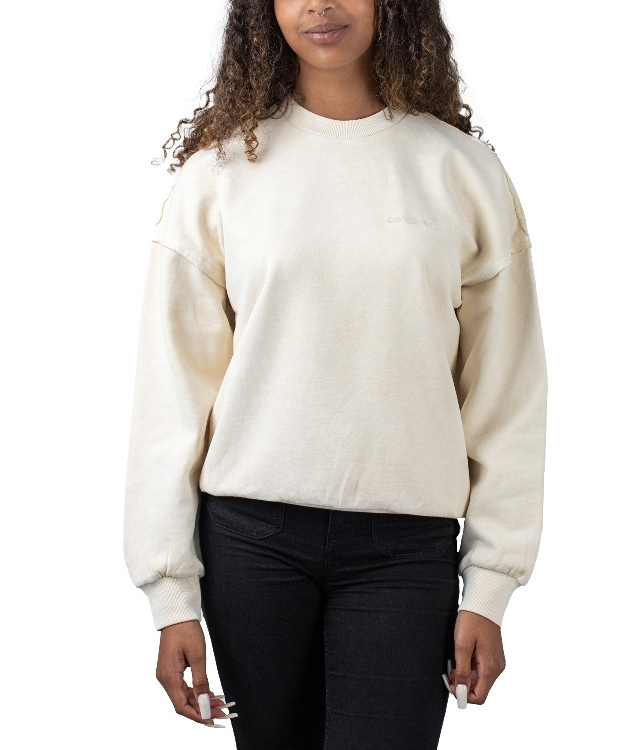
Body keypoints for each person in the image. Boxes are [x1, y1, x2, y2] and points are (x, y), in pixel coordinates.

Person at [123, 1, 548, 748]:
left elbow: (506, 393)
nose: (320, 5)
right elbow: (172, 395)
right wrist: (170, 595)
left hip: (405, 550)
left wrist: (490, 585)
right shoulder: (220, 174)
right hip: (250, 543)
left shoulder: (460, 171)